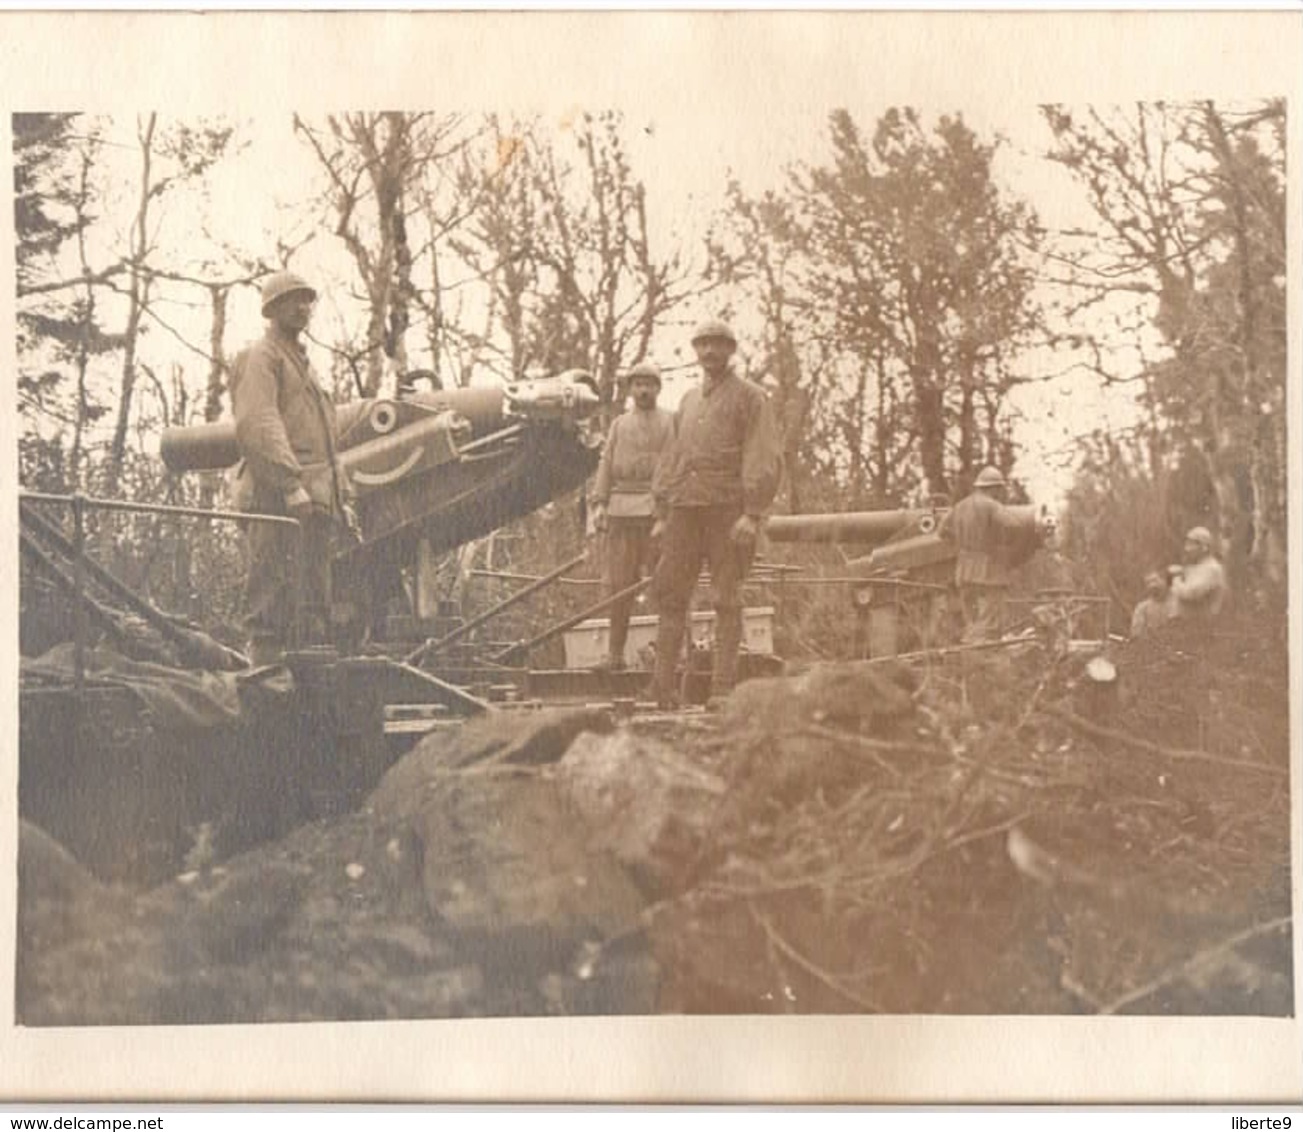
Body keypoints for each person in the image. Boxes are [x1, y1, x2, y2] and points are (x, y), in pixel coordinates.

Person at [649, 319, 782, 707]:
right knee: (672, 597)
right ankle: (662, 689)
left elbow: (763, 453)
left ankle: (722, 690)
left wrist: (752, 513)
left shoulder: (751, 397)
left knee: (726, 599)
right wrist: (662, 511)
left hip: (728, 513)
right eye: (703, 345)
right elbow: (673, 456)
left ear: (731, 350)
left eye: (717, 345)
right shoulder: (688, 402)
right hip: (684, 512)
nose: (709, 352)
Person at [230, 270, 350, 666]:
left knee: (313, 594)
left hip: (312, 497)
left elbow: (326, 437)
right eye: (292, 300)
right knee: (271, 589)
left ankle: (305, 680)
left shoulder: (303, 365)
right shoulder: (261, 357)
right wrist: (287, 482)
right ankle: (263, 674)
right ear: (272, 308)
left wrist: (339, 495)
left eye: (306, 300)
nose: (302, 307)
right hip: (276, 493)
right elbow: (259, 421)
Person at [588, 362, 675, 672]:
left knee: (667, 585)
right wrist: (599, 503)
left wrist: (665, 509)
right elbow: (606, 463)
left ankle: (672, 656)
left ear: (658, 388)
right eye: (638, 384)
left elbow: (674, 463)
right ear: (630, 389)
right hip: (621, 513)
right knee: (620, 586)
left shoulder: (670, 422)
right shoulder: (619, 425)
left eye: (649, 384)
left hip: (658, 514)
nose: (643, 390)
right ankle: (614, 655)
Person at [937, 465, 1043, 643]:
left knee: (972, 621)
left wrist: (961, 545)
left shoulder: (960, 506)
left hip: (963, 572)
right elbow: (1013, 526)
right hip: (989, 572)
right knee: (991, 624)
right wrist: (1002, 545)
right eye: (999, 489)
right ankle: (986, 659)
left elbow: (942, 532)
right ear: (994, 488)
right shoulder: (992, 506)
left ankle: (970, 655)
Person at [1167, 525, 1228, 623]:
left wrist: (1176, 578)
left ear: (1204, 547)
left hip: (1201, 626)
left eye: (1191, 545)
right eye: (1186, 544)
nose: (1187, 549)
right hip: (1183, 625)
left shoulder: (1212, 568)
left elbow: (1191, 593)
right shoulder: (1193, 566)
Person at [1130, 570, 1174, 639]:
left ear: (1165, 581)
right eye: (1148, 583)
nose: (1152, 585)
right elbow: (1137, 633)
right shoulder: (1142, 608)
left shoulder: (1177, 604)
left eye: (1155, 580)